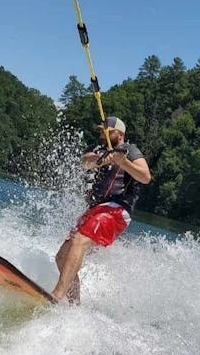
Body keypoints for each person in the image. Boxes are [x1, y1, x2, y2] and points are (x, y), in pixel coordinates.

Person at [51, 116, 151, 303]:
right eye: (100, 131)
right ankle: (74, 305)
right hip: (96, 210)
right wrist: (102, 159)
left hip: (117, 210)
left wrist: (124, 163)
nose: (101, 135)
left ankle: (57, 295)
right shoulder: (101, 151)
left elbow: (145, 176)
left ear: (119, 134)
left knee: (79, 240)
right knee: (61, 257)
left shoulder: (130, 150)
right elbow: (84, 162)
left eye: (106, 131)